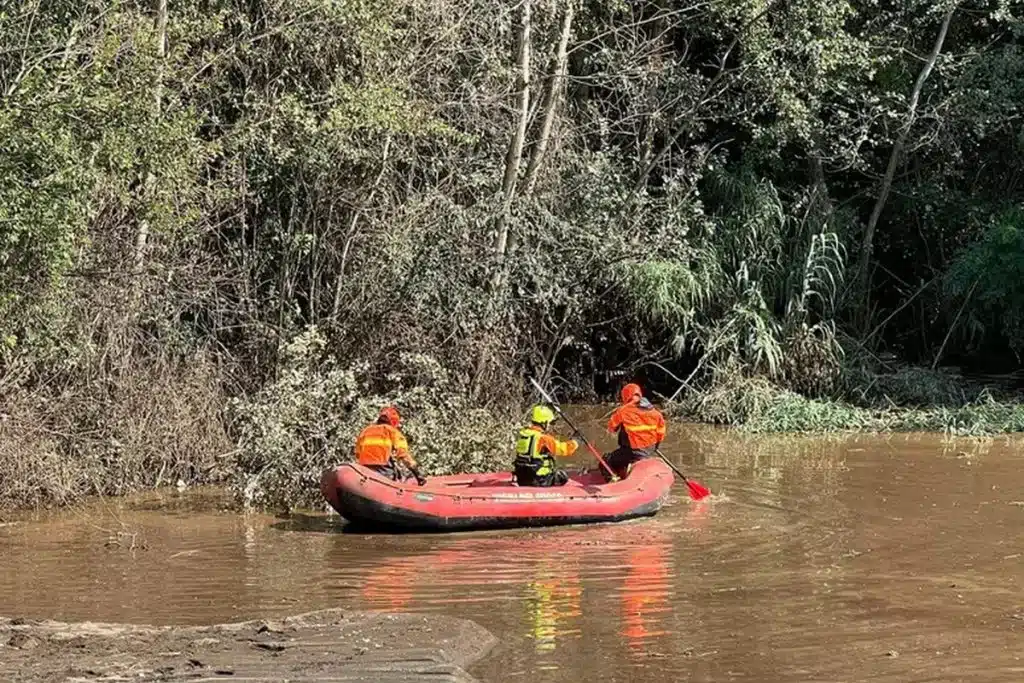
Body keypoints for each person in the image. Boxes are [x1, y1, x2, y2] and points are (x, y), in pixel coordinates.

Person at [602, 383, 666, 481]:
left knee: (605, 460)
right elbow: (661, 435)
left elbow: (611, 428)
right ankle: (628, 469)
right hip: (649, 451)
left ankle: (612, 481)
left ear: (625, 396)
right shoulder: (656, 413)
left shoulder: (623, 411)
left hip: (633, 452)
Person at [355, 405, 426, 485]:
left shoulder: (365, 431)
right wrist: (418, 475)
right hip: (383, 469)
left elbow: (357, 454)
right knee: (398, 477)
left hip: (364, 469)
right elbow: (403, 455)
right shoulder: (393, 432)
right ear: (394, 421)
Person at [514, 404, 579, 487]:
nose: (549, 425)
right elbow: (563, 449)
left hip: (522, 479)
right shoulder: (543, 439)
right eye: (549, 423)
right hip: (539, 479)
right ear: (544, 422)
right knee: (563, 477)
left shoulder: (524, 434)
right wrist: (575, 442)